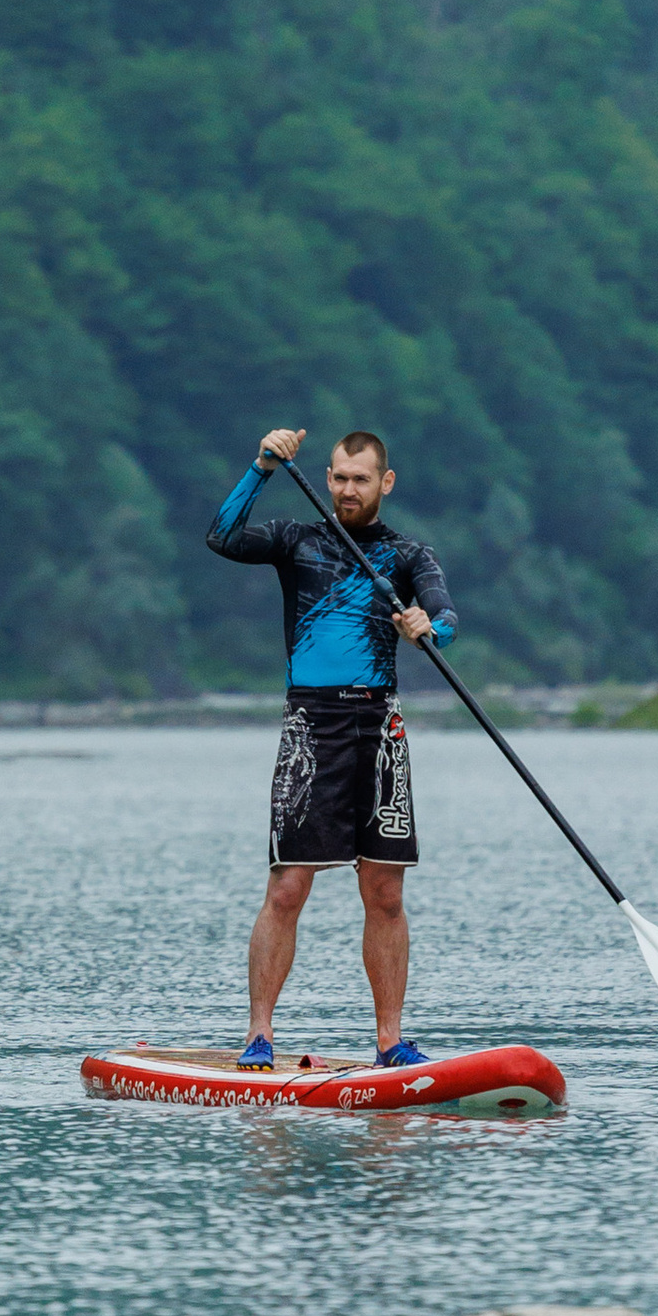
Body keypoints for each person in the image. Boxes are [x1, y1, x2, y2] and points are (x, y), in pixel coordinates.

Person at [206, 426, 457, 1069]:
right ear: (327, 477)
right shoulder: (297, 540)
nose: (348, 490)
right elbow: (223, 538)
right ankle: (259, 1036)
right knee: (288, 887)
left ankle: (390, 1043)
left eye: (361, 480)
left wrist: (427, 625)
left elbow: (445, 617)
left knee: (385, 893)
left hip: (380, 728)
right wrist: (261, 467)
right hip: (312, 725)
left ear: (385, 482)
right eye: (339, 478)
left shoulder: (407, 555)